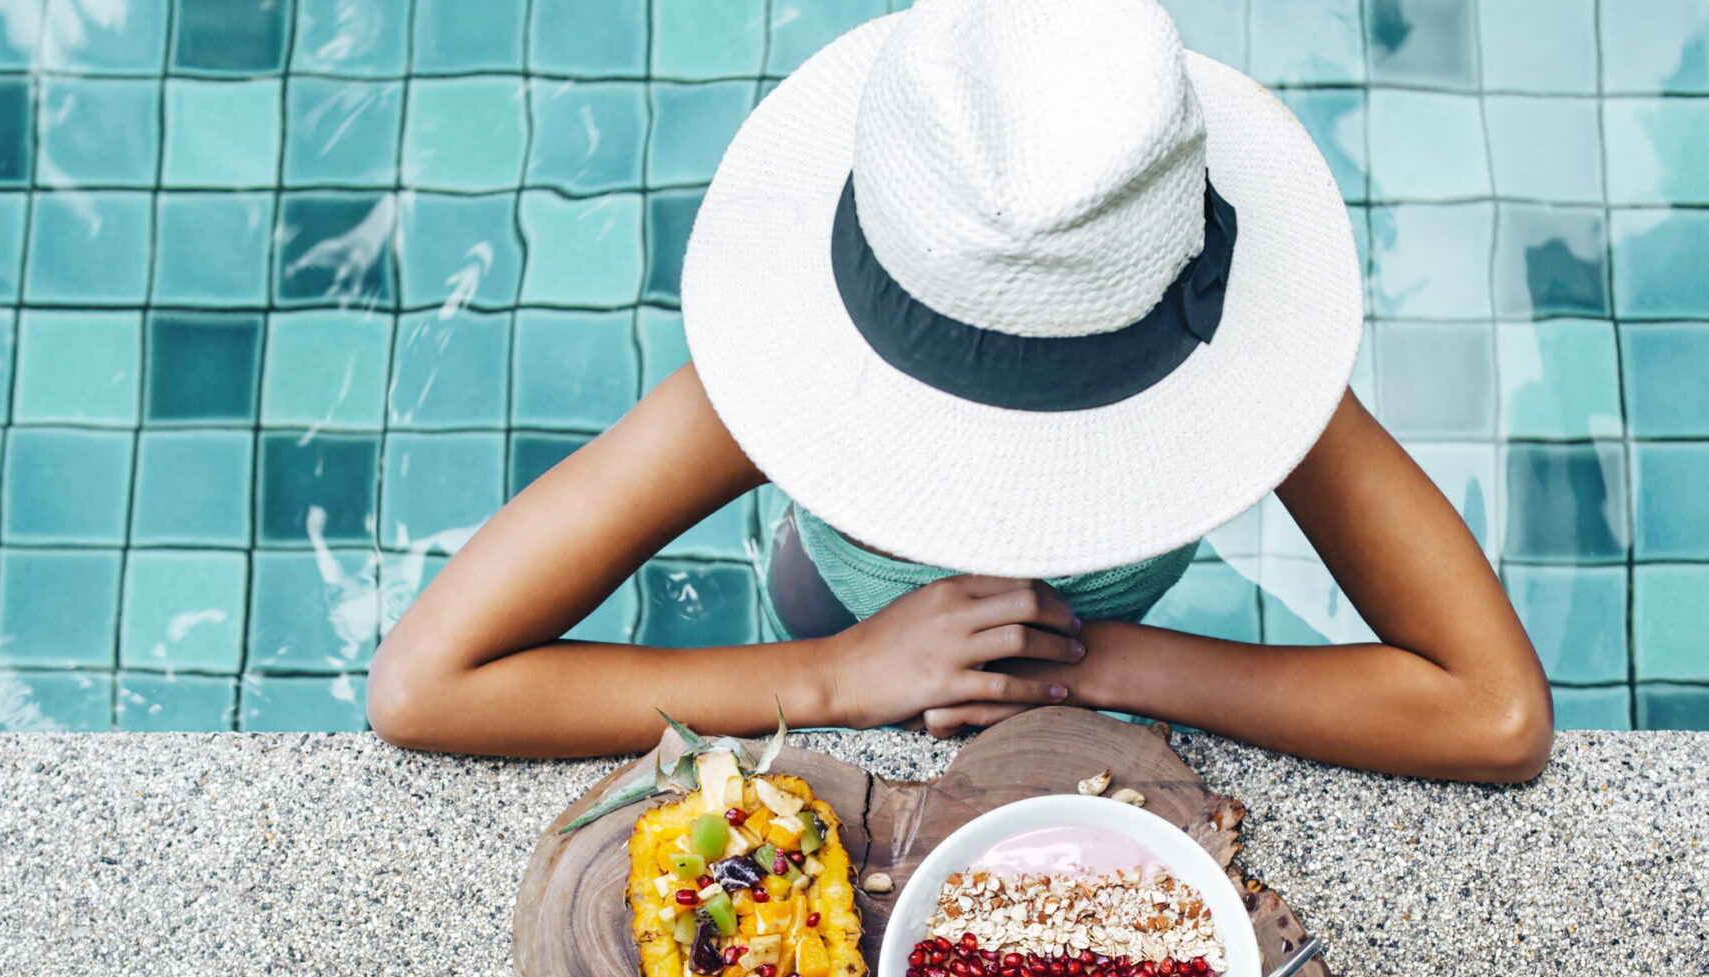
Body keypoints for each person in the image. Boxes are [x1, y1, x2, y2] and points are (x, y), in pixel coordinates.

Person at [368, 0, 1552, 783]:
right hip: (843, 621)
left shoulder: (1222, 329)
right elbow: (426, 684)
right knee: (813, 602)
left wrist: (1102, 665)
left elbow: (1499, 717)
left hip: (1080, 649)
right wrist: (838, 677)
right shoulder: (758, 395)